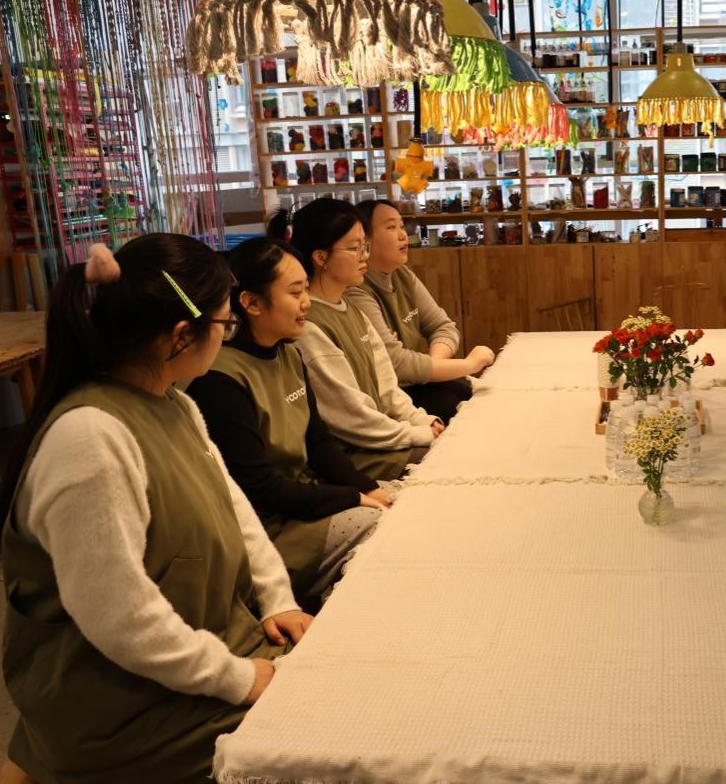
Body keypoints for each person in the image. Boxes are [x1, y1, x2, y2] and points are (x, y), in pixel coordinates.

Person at [0, 235, 309, 783]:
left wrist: (277, 598)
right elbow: (121, 619)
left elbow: (233, 509)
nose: (229, 335)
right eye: (225, 324)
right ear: (181, 336)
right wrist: (239, 678)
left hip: (194, 656)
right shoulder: (90, 438)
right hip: (120, 705)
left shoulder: (175, 402)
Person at [185, 237, 390, 612]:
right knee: (378, 526)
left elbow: (319, 443)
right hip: (271, 528)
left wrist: (368, 488)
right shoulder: (220, 380)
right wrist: (351, 497)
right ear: (251, 303)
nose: (307, 303)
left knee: (400, 499)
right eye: (295, 293)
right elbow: (258, 489)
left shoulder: (290, 355)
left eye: (306, 290)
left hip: (303, 501)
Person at [267, 198, 442, 480]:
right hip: (356, 456)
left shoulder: (353, 310)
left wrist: (423, 421)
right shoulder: (309, 325)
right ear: (320, 257)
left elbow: (388, 389)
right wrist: (417, 434)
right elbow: (352, 418)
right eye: (353, 248)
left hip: (383, 440)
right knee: (445, 460)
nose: (364, 256)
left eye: (365, 246)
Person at [346, 199, 495, 420]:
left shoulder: (403, 275)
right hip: (389, 396)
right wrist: (468, 365)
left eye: (401, 226)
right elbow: (395, 363)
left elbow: (443, 326)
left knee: (478, 397)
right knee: (464, 408)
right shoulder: (357, 290)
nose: (403, 235)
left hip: (415, 384)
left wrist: (435, 366)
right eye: (391, 227)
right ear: (364, 240)